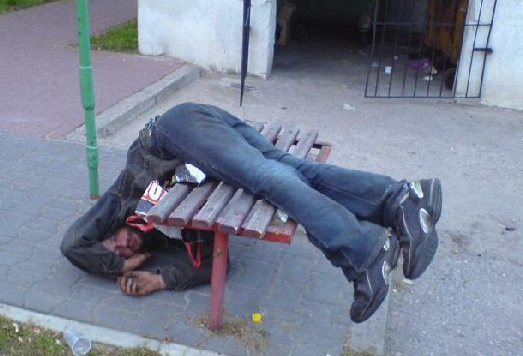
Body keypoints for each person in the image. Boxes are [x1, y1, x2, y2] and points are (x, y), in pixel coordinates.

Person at [61, 102, 442, 323]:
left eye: (112, 244)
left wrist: (119, 266)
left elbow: (73, 244)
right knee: (292, 171)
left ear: (105, 231)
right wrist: (158, 278)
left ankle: (365, 253)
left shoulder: (124, 199)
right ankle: (404, 199)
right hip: (204, 131)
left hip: (174, 131)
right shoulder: (162, 232)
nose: (123, 246)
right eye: (125, 252)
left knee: (269, 180)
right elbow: (213, 262)